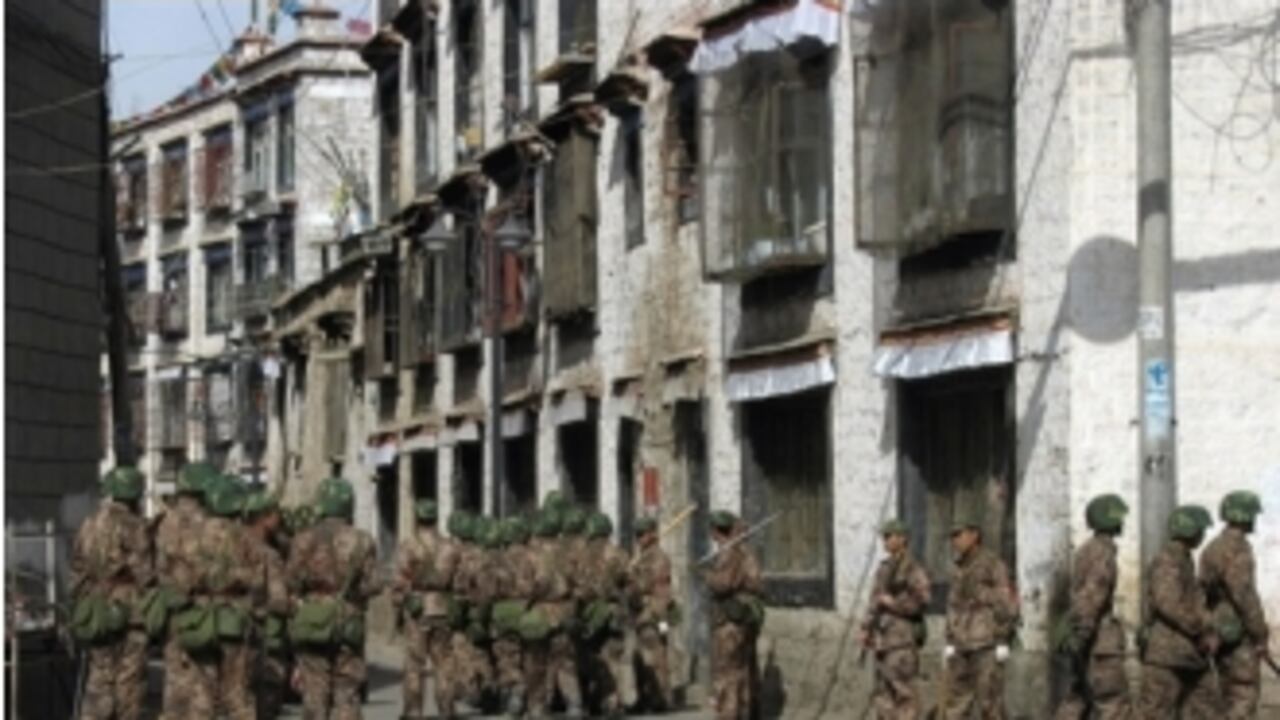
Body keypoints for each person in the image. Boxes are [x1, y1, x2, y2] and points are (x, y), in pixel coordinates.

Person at [286, 477, 382, 720]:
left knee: (315, 693)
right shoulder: (363, 540)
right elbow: (375, 584)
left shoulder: (302, 539)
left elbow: (291, 582)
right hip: (349, 620)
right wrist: (353, 594)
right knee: (347, 692)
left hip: (311, 619)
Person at [69, 467, 154, 720]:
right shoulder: (134, 526)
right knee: (129, 680)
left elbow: (77, 569)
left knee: (99, 677)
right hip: (129, 613)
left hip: (95, 609)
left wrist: (86, 603)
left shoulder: (90, 523)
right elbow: (146, 573)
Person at [1054, 494, 1131, 720]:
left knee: (1078, 698)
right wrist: (1082, 635)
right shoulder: (1102, 553)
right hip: (1100, 644)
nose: (1122, 523)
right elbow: (1092, 596)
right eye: (1119, 518)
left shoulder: (1088, 549)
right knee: (1114, 705)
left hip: (1089, 640)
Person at [1139, 504, 1220, 718]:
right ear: (1191, 530)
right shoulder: (1169, 559)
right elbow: (1169, 603)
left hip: (1188, 655)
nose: (1202, 535)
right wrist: (1201, 628)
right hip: (1167, 656)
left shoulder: (1183, 558)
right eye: (1200, 530)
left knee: (1203, 710)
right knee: (1157, 713)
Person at [1200, 491, 1270, 719]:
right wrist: (1260, 633)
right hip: (1238, 634)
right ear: (1247, 516)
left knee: (1223, 695)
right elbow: (1244, 594)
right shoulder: (1237, 548)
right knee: (1243, 693)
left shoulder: (1212, 547)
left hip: (1217, 629)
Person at [155, 462, 217, 719]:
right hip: (203, 614)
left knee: (175, 686)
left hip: (174, 611)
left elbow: (158, 567)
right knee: (204, 684)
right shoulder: (209, 525)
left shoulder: (165, 523)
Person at [942, 515, 1019, 720]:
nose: (954, 541)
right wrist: (949, 638)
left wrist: (1002, 638)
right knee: (955, 706)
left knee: (990, 704)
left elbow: (1008, 603)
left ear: (974, 535)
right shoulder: (958, 568)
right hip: (960, 645)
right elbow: (952, 605)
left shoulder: (992, 564)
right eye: (952, 536)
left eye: (959, 535)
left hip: (986, 644)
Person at [201, 476, 264, 720]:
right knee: (238, 694)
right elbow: (259, 582)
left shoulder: (192, 535)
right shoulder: (247, 538)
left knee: (203, 695)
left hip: (199, 620)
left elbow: (176, 580)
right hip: (236, 619)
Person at [393, 499, 460, 720]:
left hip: (417, 608)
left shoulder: (409, 545)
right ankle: (447, 710)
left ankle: (413, 712)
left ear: (417, 518)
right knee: (444, 663)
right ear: (435, 518)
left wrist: (397, 608)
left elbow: (400, 582)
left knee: (414, 664)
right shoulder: (450, 546)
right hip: (442, 608)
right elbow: (459, 582)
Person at [860, 519, 930, 720]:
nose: (885, 541)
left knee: (904, 695)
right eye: (885, 536)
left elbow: (923, 601)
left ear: (903, 539)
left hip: (902, 641)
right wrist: (866, 628)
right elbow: (874, 600)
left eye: (889, 536)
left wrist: (894, 603)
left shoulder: (912, 568)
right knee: (883, 694)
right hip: (882, 641)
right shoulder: (884, 568)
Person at [704, 510, 764, 720]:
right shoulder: (744, 551)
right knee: (742, 670)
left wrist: (706, 575)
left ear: (715, 530)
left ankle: (729, 714)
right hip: (743, 621)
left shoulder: (730, 552)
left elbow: (724, 584)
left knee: (727, 672)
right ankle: (745, 712)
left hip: (731, 622)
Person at [527, 506, 583, 716]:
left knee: (537, 662)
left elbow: (529, 587)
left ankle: (538, 706)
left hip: (540, 612)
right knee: (566, 662)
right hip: (565, 611)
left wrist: (527, 607)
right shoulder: (569, 555)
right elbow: (579, 585)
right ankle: (575, 704)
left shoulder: (532, 555)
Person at [244, 488, 291, 720]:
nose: (279, 519)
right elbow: (279, 601)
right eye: (275, 514)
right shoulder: (267, 555)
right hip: (261, 635)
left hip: (229, 630)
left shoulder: (231, 545)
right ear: (264, 517)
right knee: (267, 700)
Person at [582, 512, 631, 717]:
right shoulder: (620, 553)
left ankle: (595, 699)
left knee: (592, 656)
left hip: (592, 611)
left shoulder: (585, 555)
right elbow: (630, 584)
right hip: (615, 610)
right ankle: (613, 700)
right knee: (614, 656)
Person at [628, 515, 674, 713]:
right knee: (644, 656)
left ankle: (660, 699)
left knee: (656, 657)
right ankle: (647, 696)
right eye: (637, 534)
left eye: (642, 534)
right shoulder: (643, 556)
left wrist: (630, 575)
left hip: (655, 612)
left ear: (651, 534)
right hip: (644, 613)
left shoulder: (656, 557)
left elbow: (644, 585)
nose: (639, 538)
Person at [492, 516, 536, 717]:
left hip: (504, 610)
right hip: (530, 609)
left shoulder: (499, 558)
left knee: (507, 656)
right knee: (530, 654)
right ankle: (529, 696)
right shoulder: (534, 556)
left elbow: (489, 587)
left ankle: (516, 690)